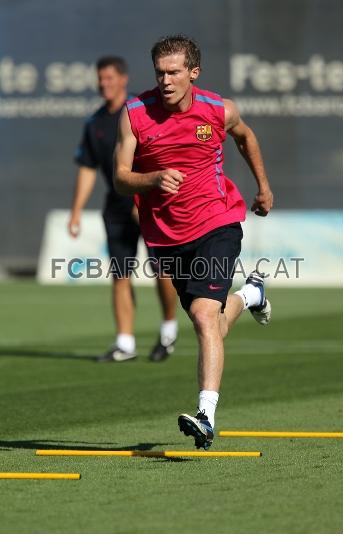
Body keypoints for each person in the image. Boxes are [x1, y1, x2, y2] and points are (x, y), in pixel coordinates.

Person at [114, 35, 273, 449]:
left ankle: (206, 415)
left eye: (174, 72)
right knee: (214, 324)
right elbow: (120, 176)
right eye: (160, 73)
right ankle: (251, 295)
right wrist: (150, 179)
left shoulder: (218, 110)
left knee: (204, 317)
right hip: (166, 236)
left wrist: (263, 186)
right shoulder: (134, 114)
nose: (166, 80)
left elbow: (245, 138)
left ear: (193, 73)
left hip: (218, 222)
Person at [68, 55, 178, 363]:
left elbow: (159, 157)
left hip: (149, 203)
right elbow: (88, 168)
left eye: (110, 78)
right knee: (120, 274)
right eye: (100, 79)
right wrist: (76, 211)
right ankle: (125, 343)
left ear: (123, 79)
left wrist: (143, 199)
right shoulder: (95, 123)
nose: (104, 84)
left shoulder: (140, 113)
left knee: (162, 270)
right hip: (115, 208)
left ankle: (168, 330)